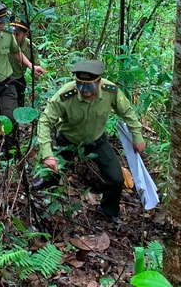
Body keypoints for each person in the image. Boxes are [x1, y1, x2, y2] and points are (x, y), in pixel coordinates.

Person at [33, 60, 146, 220]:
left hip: (96, 140)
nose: (86, 92)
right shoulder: (66, 95)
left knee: (116, 178)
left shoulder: (110, 90)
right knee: (54, 171)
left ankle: (108, 211)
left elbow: (127, 112)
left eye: (90, 88)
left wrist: (137, 136)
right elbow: (45, 121)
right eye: (82, 87)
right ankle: (47, 186)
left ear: (99, 82)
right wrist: (47, 154)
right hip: (68, 140)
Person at [0, 3, 45, 124]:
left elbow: (16, 52)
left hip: (5, 83)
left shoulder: (7, 34)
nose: (1, 25)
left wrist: (31, 66)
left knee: (11, 117)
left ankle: (11, 142)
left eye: (3, 22)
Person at [8, 19, 39, 107]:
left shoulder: (30, 47)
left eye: (17, 34)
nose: (13, 37)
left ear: (26, 34)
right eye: (12, 34)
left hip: (18, 78)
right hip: (3, 79)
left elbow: (36, 68)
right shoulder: (5, 42)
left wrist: (34, 89)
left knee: (19, 105)